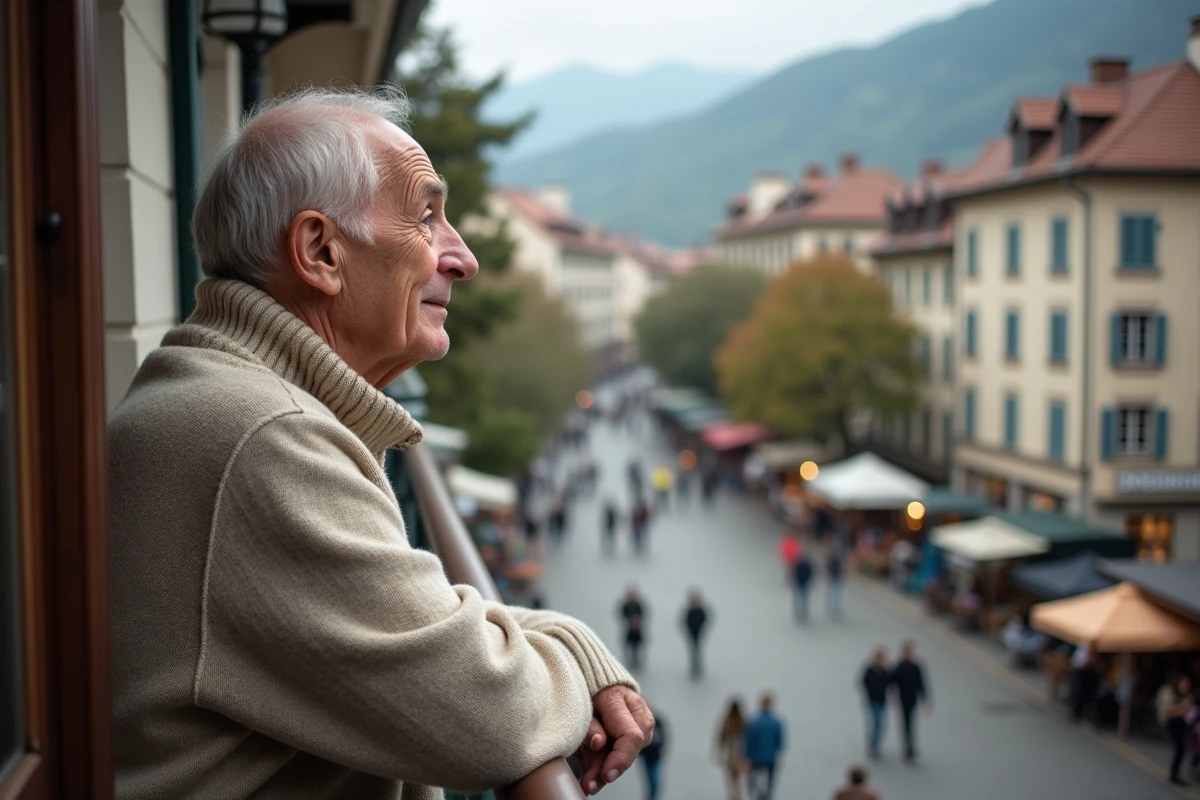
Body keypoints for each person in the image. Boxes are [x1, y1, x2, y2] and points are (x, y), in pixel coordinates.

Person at [107, 87, 652, 799]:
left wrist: (561, 645)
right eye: (426, 218)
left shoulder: (230, 401)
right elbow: (489, 719)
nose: (461, 258)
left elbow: (414, 633)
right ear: (320, 252)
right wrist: (574, 657)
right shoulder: (266, 439)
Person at [890, 641, 931, 763]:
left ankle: (910, 747)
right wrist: (893, 695)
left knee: (911, 723)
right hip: (903, 699)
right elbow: (893, 682)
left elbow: (921, 683)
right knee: (906, 724)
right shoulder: (899, 666)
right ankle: (908, 748)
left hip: (912, 699)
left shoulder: (916, 666)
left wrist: (926, 700)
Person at [743, 693, 786, 800]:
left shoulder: (754, 722)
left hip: (756, 758)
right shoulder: (776, 722)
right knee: (769, 784)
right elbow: (780, 742)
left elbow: (749, 741)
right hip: (771, 757)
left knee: (755, 784)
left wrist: (747, 756)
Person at [1158, 675, 1194, 786]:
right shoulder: (1169, 692)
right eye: (1183, 684)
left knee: (1181, 749)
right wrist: (1182, 710)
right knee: (1180, 748)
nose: (1185, 687)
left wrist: (1182, 710)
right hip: (1170, 723)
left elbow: (1188, 709)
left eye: (1187, 685)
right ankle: (1174, 775)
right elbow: (1167, 711)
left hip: (1181, 723)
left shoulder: (1187, 696)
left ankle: (1174, 774)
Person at [861, 648, 891, 759]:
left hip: (882, 701)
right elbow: (863, 682)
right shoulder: (869, 670)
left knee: (881, 725)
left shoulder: (884, 671)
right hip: (872, 701)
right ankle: (873, 746)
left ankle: (875, 745)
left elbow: (889, 683)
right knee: (876, 724)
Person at [715, 699, 747, 800]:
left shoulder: (726, 720)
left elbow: (721, 739)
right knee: (737, 779)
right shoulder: (742, 721)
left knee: (730, 779)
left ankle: (732, 796)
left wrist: (719, 754)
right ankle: (736, 795)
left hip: (730, 751)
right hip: (740, 751)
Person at [640, 706, 668, 800]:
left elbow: (664, 738)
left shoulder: (658, 722)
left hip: (655, 756)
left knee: (655, 781)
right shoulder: (643, 723)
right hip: (648, 757)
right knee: (652, 780)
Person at [681, 591, 711, 679]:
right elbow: (685, 621)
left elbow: (704, 620)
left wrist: (701, 628)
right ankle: (694, 666)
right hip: (691, 633)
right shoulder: (690, 611)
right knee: (693, 650)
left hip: (698, 633)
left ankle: (697, 666)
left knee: (697, 650)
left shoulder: (700, 611)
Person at [620, 588, 648, 670]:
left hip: (637, 630)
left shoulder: (638, 605)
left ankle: (636, 661)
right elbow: (622, 615)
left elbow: (643, 614)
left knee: (637, 646)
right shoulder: (626, 605)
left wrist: (637, 622)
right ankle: (630, 661)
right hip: (629, 629)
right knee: (628, 646)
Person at [792, 552, 815, 622]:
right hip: (802, 583)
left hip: (802, 583)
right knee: (802, 599)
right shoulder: (800, 565)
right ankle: (801, 612)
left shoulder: (799, 565)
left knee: (802, 599)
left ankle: (801, 612)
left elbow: (794, 574)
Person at [826, 547, 845, 618]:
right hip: (835, 578)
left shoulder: (832, 560)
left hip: (835, 578)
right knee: (834, 594)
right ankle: (834, 608)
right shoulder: (834, 561)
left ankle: (834, 607)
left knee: (835, 594)